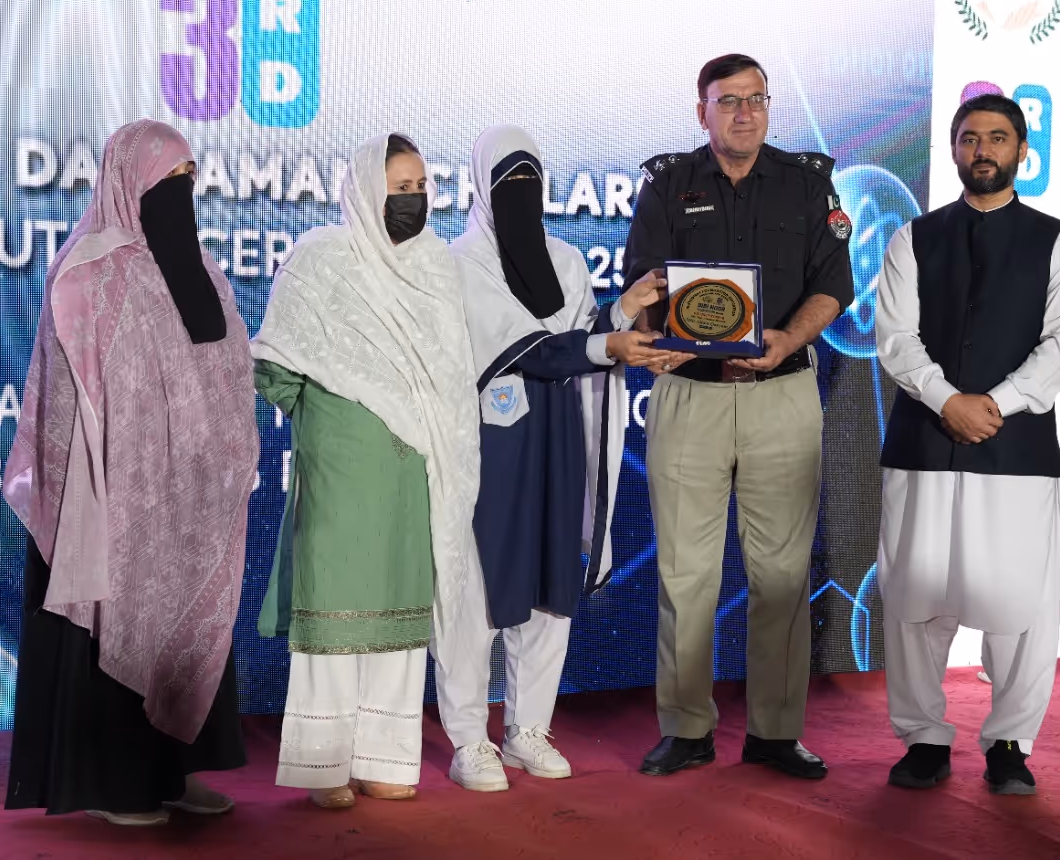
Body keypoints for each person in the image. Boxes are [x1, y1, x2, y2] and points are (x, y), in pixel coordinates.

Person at [3, 119, 260, 827]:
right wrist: (130, 460)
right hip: (111, 491)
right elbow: (70, 390)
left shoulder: (198, 268)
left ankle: (172, 774)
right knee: (115, 631)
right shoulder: (88, 271)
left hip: (192, 498)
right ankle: (117, 784)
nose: (180, 194)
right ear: (127, 180)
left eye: (189, 180)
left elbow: (228, 365)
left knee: (188, 631)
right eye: (165, 180)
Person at [623, 53, 854, 779]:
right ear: (703, 111)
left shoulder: (808, 184)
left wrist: (788, 337)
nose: (744, 112)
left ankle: (775, 733)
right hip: (689, 394)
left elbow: (832, 287)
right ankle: (687, 728)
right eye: (728, 102)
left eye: (756, 99)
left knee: (781, 573)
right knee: (686, 574)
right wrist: (659, 322)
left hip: (780, 393)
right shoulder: (668, 185)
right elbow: (643, 283)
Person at [431, 124, 670, 792]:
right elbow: (521, 349)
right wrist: (601, 347)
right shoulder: (459, 264)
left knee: (550, 589)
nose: (521, 197)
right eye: (508, 184)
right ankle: (469, 738)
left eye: (532, 182)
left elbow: (582, 339)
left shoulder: (565, 262)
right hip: (491, 449)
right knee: (478, 593)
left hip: (559, 440)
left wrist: (624, 310)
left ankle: (527, 728)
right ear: (480, 188)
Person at [249, 133, 481, 810]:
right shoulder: (320, 259)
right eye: (396, 188)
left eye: (419, 188)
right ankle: (325, 766)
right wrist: (333, 419)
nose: (411, 200)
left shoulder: (436, 266)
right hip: (342, 463)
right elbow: (277, 365)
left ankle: (385, 759)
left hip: (416, 469)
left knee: (400, 613)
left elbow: (449, 377)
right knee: (338, 607)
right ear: (362, 190)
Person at [874, 93, 1060, 796]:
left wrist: (991, 406)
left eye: (999, 138)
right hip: (923, 443)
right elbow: (896, 341)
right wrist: (948, 402)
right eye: (971, 138)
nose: (985, 150)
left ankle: (1009, 744)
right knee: (914, 598)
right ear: (955, 149)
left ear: (1024, 151)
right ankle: (924, 738)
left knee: (1019, 603)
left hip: (1015, 449)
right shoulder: (913, 238)